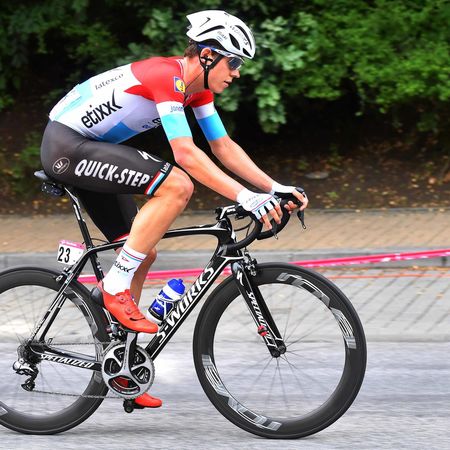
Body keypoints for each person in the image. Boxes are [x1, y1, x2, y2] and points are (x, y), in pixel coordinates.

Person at [40, 10, 308, 409]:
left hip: (91, 150)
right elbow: (185, 153)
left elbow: (222, 147)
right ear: (207, 55)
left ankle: (123, 365)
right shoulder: (167, 76)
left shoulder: (197, 91)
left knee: (141, 250)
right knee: (177, 184)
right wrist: (246, 197)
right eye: (233, 62)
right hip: (67, 147)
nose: (237, 73)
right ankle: (113, 288)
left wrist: (272, 187)